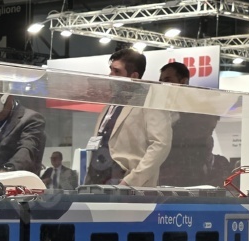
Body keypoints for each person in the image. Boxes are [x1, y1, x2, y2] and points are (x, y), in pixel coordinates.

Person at [85, 48, 171, 187]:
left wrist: (132, 180)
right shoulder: (111, 103)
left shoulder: (151, 101)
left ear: (134, 76)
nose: (111, 75)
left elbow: (161, 145)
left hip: (126, 182)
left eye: (117, 71)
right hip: (96, 178)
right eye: (111, 70)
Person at [157, 61, 219, 187]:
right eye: (161, 81)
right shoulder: (160, 109)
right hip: (163, 176)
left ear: (184, 82)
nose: (163, 85)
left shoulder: (199, 109)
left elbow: (200, 140)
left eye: (168, 80)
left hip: (190, 177)